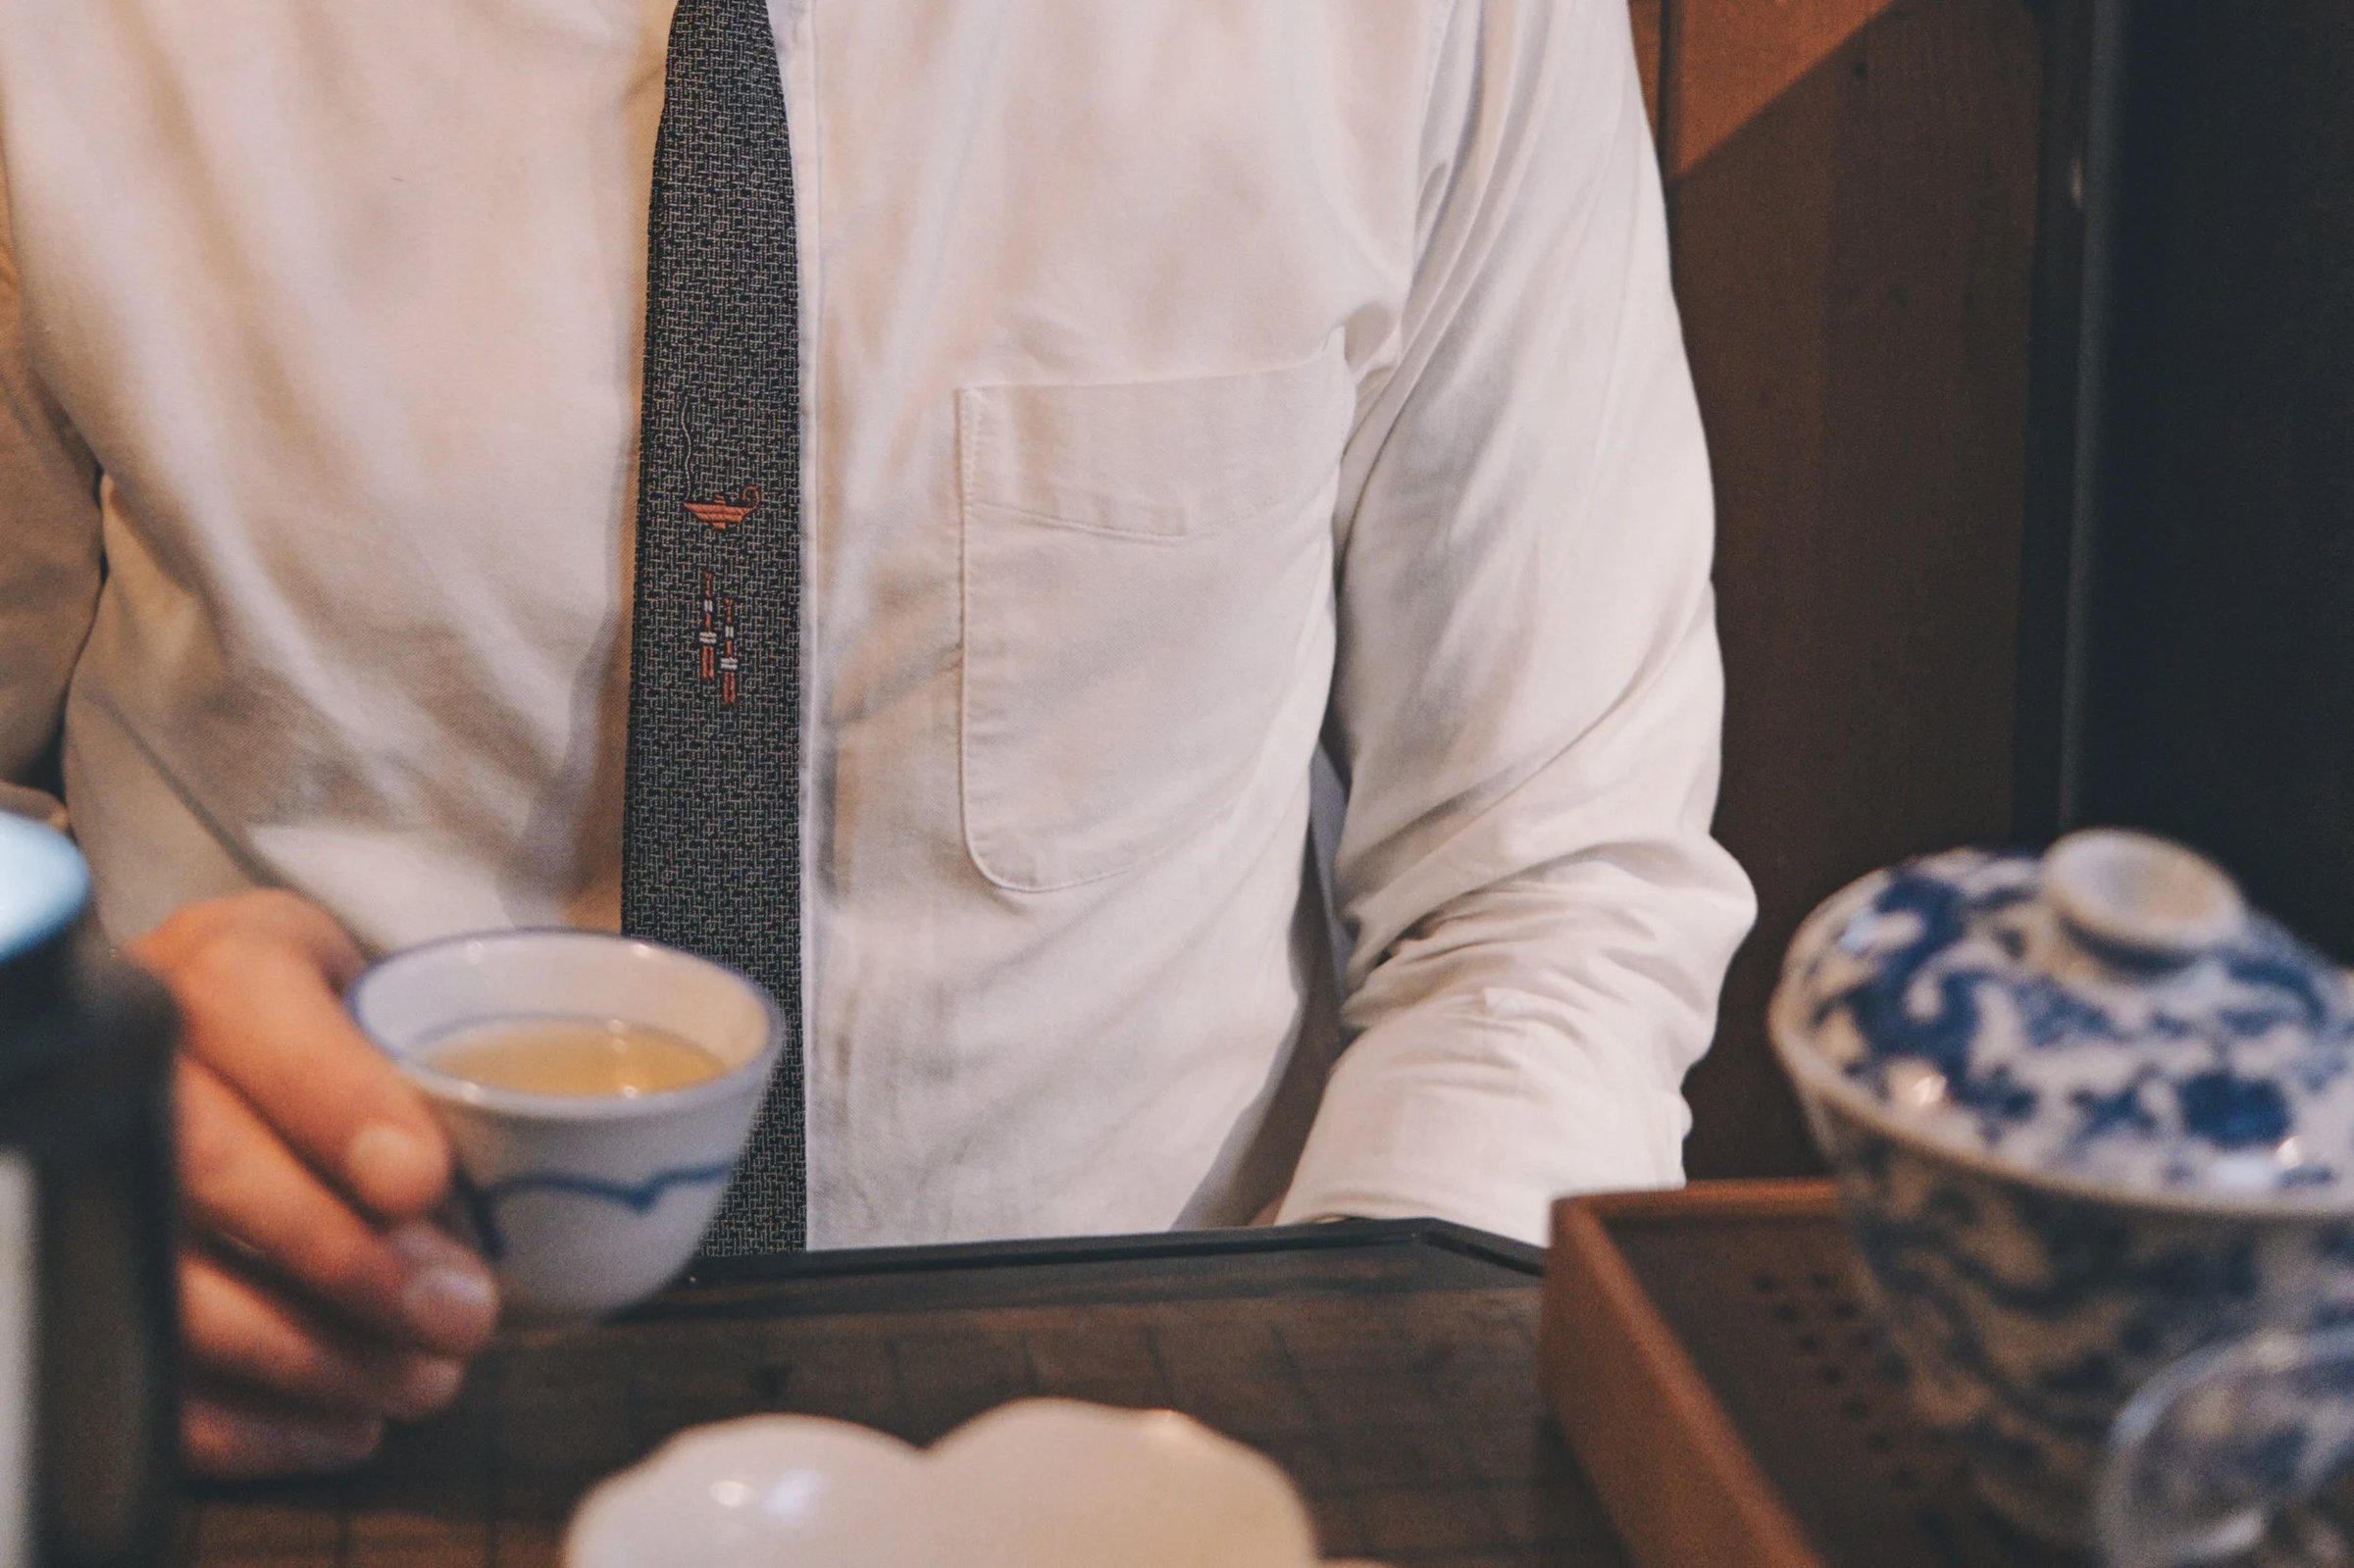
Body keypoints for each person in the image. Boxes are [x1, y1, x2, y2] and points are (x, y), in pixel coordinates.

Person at [0, 0, 1755, 1479]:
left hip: (1152, 1458)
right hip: (280, 1425)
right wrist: (46, 1128)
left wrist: (1332, 1445)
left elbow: (1548, 881)